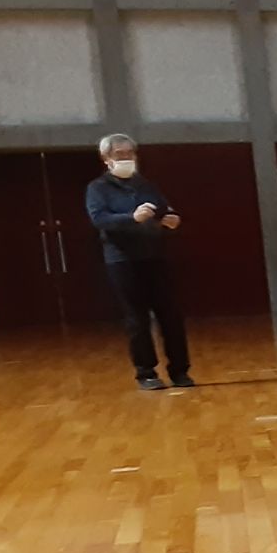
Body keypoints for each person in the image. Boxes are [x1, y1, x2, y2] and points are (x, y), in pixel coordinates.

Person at [85, 133, 192, 391]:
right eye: (119, 154)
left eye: (129, 153)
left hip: (155, 255)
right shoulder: (97, 188)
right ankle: (146, 372)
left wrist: (171, 219)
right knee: (137, 318)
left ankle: (180, 371)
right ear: (106, 158)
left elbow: (164, 210)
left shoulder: (146, 185)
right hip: (123, 260)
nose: (126, 158)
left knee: (171, 315)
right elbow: (99, 219)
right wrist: (131, 218)